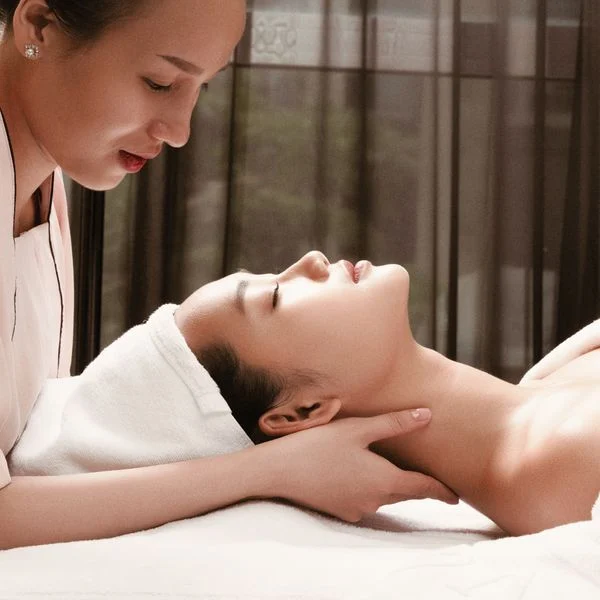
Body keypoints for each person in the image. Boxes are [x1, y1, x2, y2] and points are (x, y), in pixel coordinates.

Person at [0, 1, 456, 550]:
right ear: (39, 26)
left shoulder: (41, 178)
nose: (180, 131)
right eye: (159, 82)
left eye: (201, 88)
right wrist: (273, 469)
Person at [171, 250, 600, 536]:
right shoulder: (568, 465)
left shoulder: (558, 383)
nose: (311, 260)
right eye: (275, 295)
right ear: (301, 411)